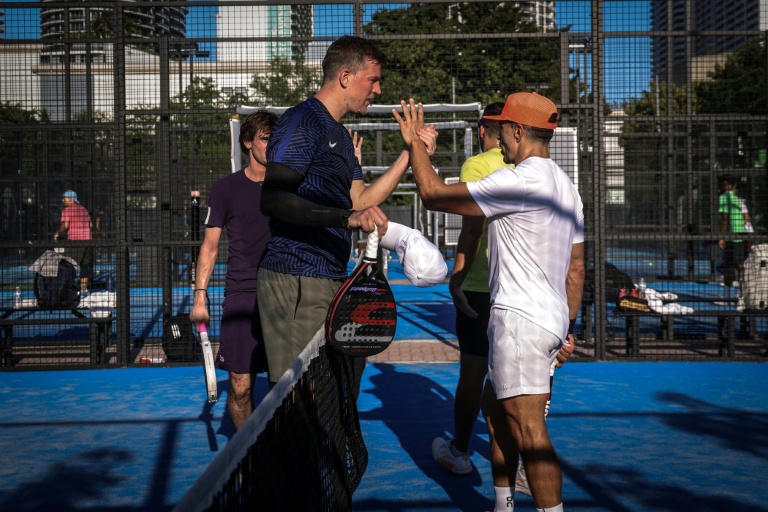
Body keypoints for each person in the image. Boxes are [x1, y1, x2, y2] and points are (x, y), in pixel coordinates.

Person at [394, 93, 584, 512]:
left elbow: (432, 194)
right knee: (495, 412)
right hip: (548, 320)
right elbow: (577, 270)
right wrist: (567, 329)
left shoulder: (517, 180)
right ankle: (503, 504)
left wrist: (414, 146)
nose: (498, 141)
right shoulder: (567, 187)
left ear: (517, 131)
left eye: (502, 132)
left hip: (519, 323)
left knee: (530, 432)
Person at [258, 35, 437, 390]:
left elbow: (360, 201)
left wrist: (411, 152)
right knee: (298, 396)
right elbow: (273, 199)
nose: (378, 90)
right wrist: (346, 219)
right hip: (295, 275)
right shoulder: (303, 121)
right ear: (345, 77)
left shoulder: (339, 136)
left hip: (331, 276)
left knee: (336, 390)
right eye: (373, 80)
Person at [431, 102, 508, 474]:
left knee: (474, 371)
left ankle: (460, 451)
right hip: (519, 289)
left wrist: (456, 278)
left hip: (480, 286)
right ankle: (517, 463)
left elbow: (473, 228)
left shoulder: (477, 165)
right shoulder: (531, 167)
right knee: (516, 378)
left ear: (481, 130)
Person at [189, 109, 277, 431]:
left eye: (276, 139)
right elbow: (210, 246)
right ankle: (249, 451)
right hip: (242, 295)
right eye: (266, 139)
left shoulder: (291, 186)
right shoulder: (225, 189)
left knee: (289, 384)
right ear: (248, 142)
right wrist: (200, 297)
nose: (272, 145)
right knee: (240, 388)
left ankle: (287, 451)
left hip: (284, 293)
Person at [717, 174, 751, 304]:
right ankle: (740, 295)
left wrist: (722, 237)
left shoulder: (724, 197)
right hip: (742, 235)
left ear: (725, 185)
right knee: (740, 265)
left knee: (729, 266)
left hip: (732, 237)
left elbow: (725, 218)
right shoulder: (737, 199)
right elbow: (746, 217)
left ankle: (728, 297)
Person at [53, 190, 93, 296]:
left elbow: (65, 226)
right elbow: (91, 225)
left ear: (71, 199)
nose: (63, 200)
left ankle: (69, 288)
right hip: (87, 241)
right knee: (85, 266)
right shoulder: (84, 209)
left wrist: (58, 232)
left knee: (70, 265)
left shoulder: (67, 210)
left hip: (75, 241)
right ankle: (84, 290)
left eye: (64, 198)